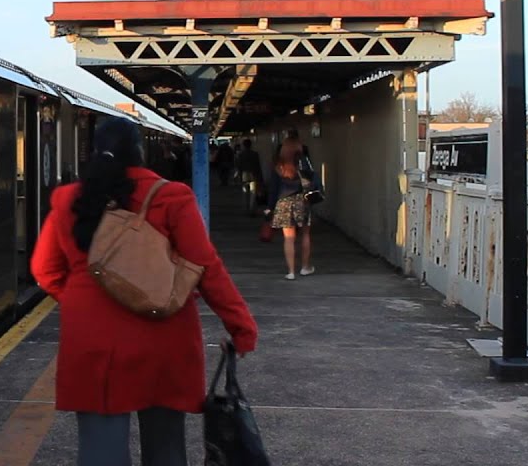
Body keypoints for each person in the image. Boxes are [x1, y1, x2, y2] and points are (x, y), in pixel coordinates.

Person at [31, 117, 258, 466]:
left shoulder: (67, 200)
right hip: (163, 338)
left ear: (93, 151)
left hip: (92, 343)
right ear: (139, 152)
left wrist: (83, 302)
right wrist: (240, 327)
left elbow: (45, 271)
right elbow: (206, 267)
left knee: (99, 452)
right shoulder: (172, 196)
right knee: (166, 448)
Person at [266, 136, 318, 280]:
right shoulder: (304, 163)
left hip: (283, 202)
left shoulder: (278, 165)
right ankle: (305, 267)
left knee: (288, 238)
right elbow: (312, 181)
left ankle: (291, 272)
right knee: (305, 234)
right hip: (302, 201)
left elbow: (273, 188)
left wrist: (270, 207)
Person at [235, 138, 265, 215]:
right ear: (250, 145)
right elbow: (258, 166)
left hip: (244, 175)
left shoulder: (241, 154)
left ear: (244, 145)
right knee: (253, 193)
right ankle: (252, 210)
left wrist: (238, 176)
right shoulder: (255, 154)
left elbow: (239, 166)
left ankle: (246, 209)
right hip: (253, 175)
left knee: (245, 193)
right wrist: (260, 177)